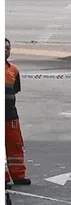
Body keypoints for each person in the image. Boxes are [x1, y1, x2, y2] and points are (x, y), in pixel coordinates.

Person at [5, 40, 30, 186]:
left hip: (10, 116)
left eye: (8, 48)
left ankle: (18, 175)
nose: (6, 51)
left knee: (15, 145)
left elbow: (15, 89)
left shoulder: (13, 69)